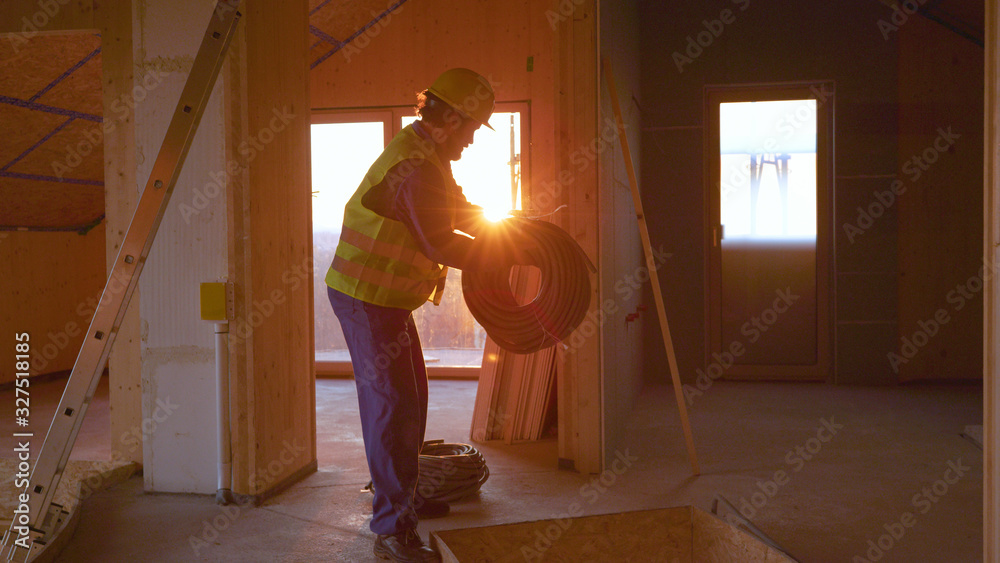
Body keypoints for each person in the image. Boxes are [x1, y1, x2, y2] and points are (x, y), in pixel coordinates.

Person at [325, 68, 523, 563]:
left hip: (386, 298)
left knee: (411, 398)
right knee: (392, 404)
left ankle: (405, 499)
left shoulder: (429, 156)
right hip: (366, 297)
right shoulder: (414, 167)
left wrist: (515, 229)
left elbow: (454, 211)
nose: (473, 141)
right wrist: (506, 255)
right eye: (473, 129)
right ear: (451, 119)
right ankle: (392, 532)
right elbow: (440, 240)